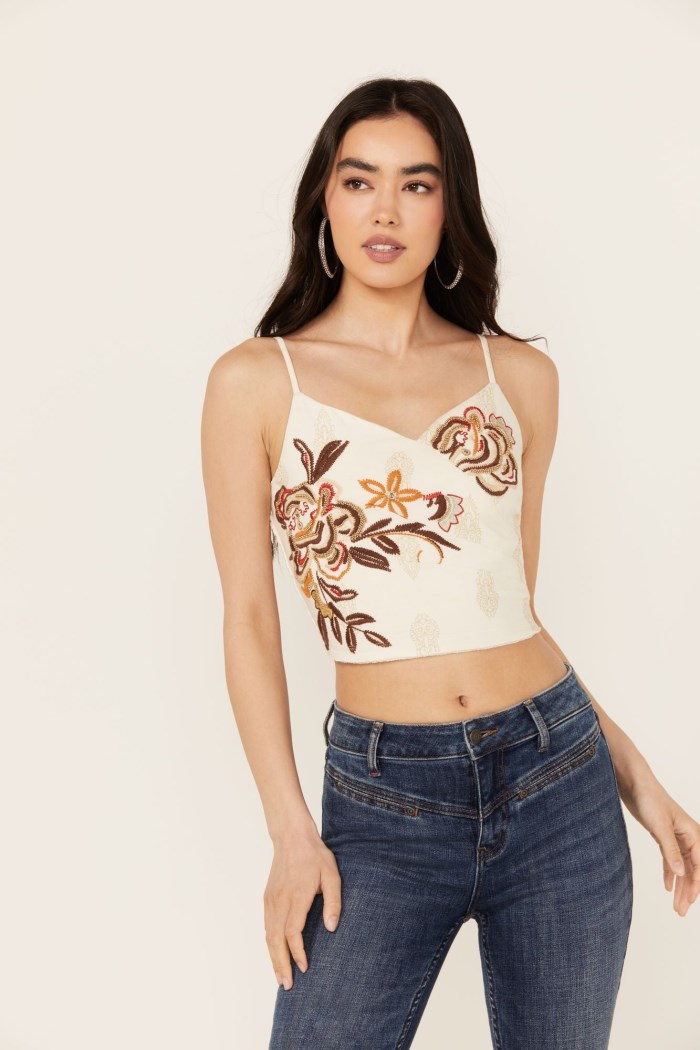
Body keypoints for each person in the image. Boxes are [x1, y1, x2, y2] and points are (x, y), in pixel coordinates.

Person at [200, 77, 699, 1050]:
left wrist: (635, 779)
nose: (385, 210)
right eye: (359, 181)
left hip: (558, 783)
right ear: (324, 201)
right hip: (381, 803)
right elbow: (247, 620)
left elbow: (512, 614)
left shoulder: (520, 377)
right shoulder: (257, 382)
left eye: (416, 184)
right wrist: (290, 830)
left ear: (449, 205)